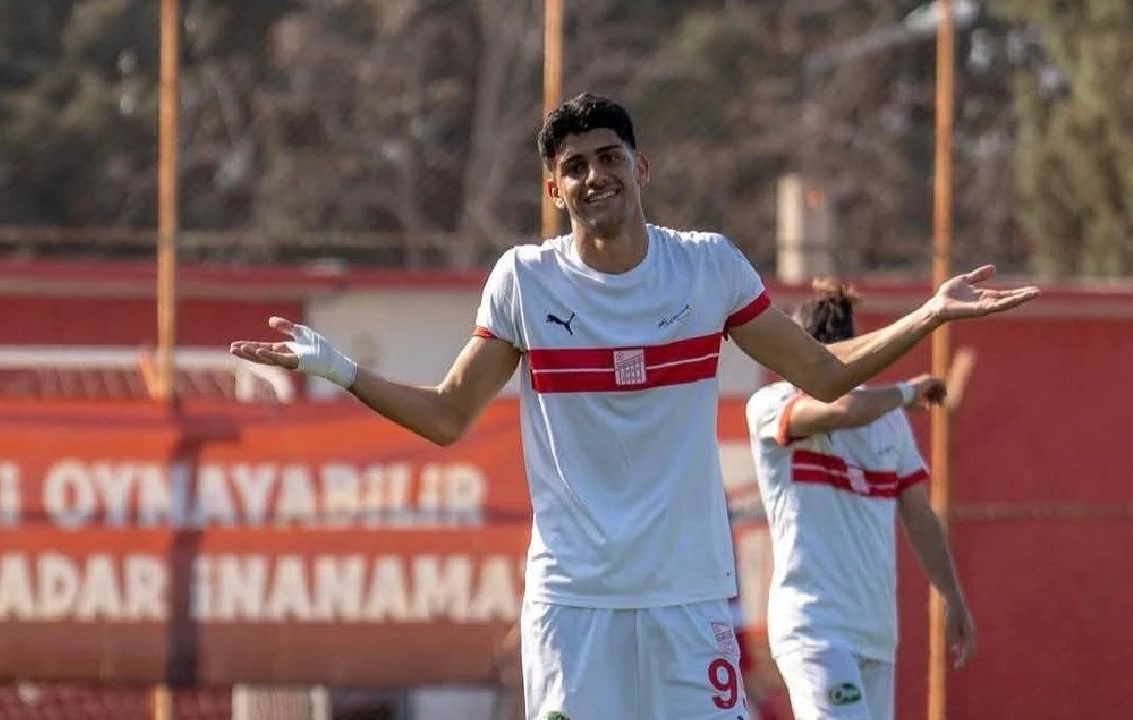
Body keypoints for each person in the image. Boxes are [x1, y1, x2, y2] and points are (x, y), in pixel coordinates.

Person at [229, 94, 1032, 719]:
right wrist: (338, 368)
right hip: (574, 605)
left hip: (689, 598)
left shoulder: (708, 269)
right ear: (554, 188)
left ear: (640, 168)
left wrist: (931, 315)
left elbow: (821, 374)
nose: (594, 177)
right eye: (574, 166)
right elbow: (447, 415)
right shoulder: (524, 282)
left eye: (608, 157)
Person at [745, 279, 977, 720]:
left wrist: (952, 594)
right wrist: (907, 393)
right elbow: (842, 409)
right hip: (814, 627)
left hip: (875, 632)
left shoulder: (887, 422)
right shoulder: (770, 405)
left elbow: (920, 516)